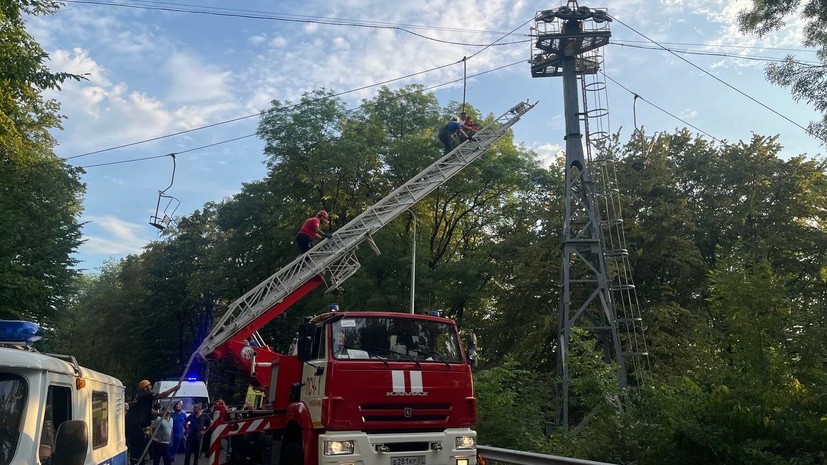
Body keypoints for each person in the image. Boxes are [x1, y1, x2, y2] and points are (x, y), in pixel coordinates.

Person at [128, 380, 180, 465]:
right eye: (149, 385)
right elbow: (161, 395)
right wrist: (173, 389)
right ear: (145, 388)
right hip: (136, 426)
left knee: (137, 448)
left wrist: (159, 413)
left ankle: (136, 461)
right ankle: (137, 462)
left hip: (133, 426)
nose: (151, 387)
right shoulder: (146, 394)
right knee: (139, 446)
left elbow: (148, 410)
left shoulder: (140, 397)